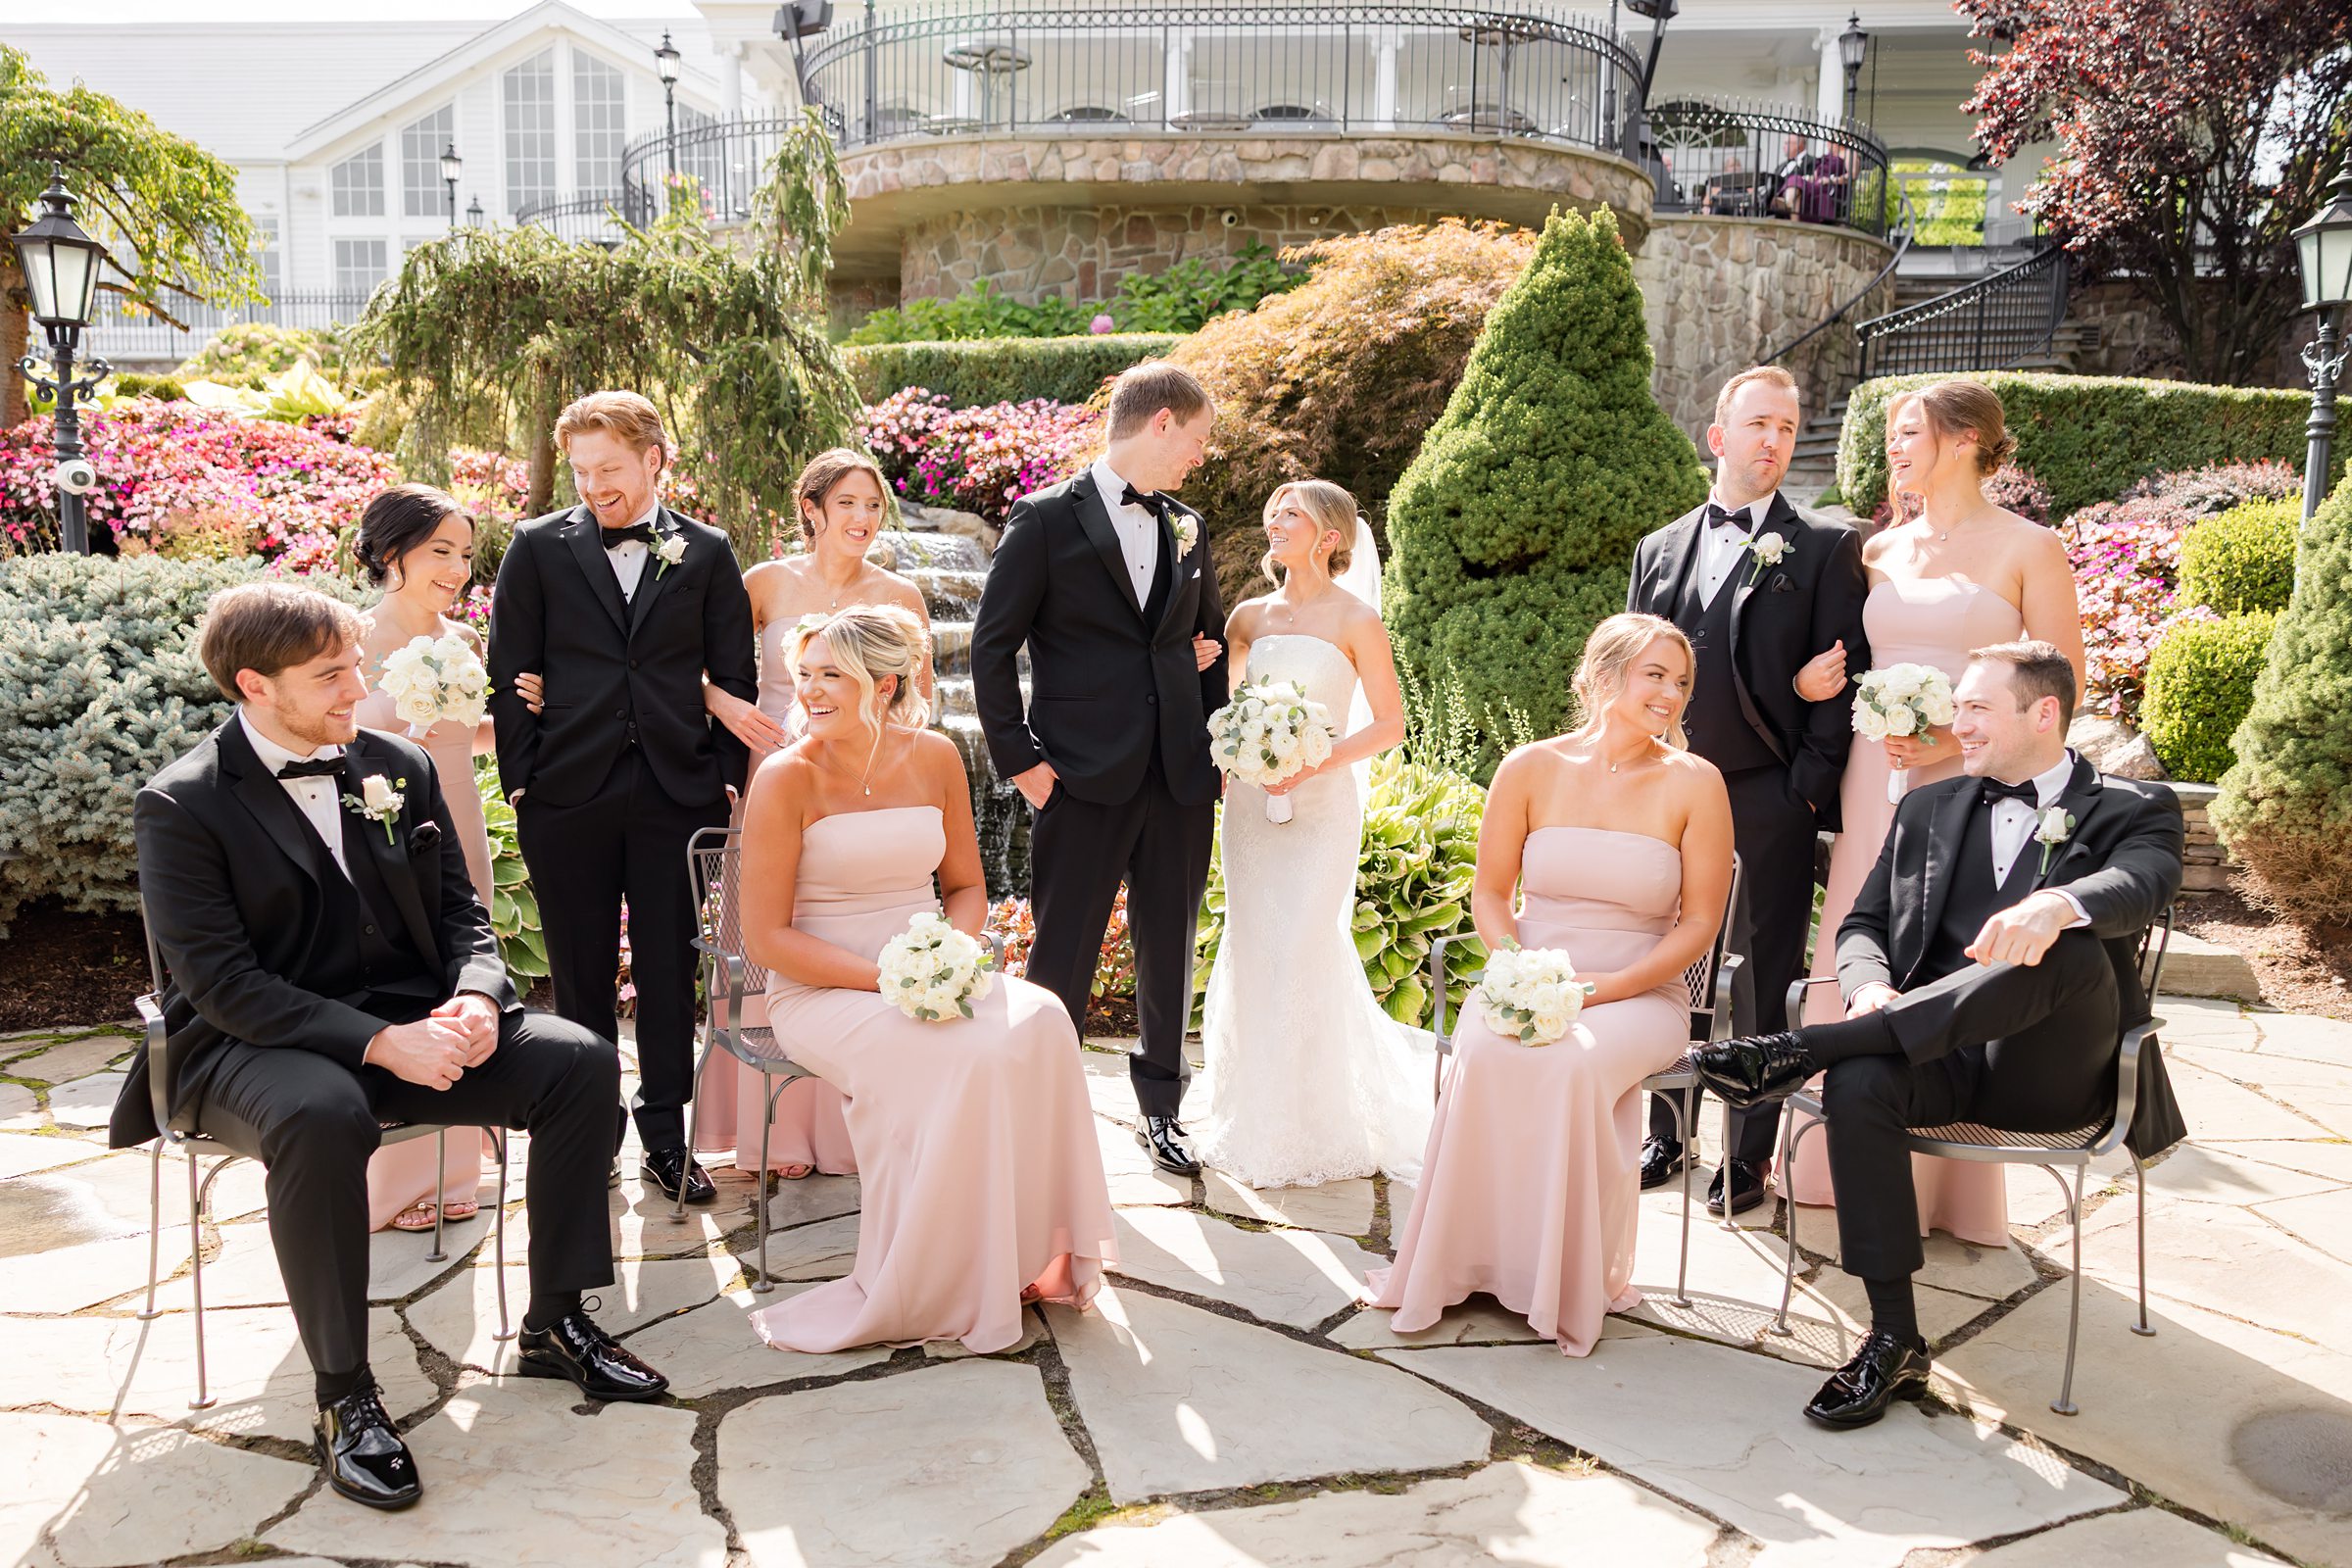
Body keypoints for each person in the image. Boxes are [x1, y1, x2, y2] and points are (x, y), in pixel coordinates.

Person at [109, 582, 665, 1512]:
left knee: (576, 1060)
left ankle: (555, 1321)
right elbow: (223, 984)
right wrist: (380, 1045)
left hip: (413, 1018)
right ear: (255, 684)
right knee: (325, 1115)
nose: (357, 689)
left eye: (357, 665)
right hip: (248, 1046)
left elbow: (461, 915)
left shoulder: (394, 765)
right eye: (331, 675)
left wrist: (480, 999)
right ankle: (345, 1398)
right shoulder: (182, 804)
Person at [1693, 641, 2185, 1429]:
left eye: (1978, 707)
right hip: (1932, 1056)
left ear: (2045, 712)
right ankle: (1893, 1338)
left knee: (2075, 943)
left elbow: (2143, 883)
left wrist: (2057, 905)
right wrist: (1869, 986)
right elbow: (1861, 925)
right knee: (1859, 1083)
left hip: (2047, 1074)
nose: (1958, 723)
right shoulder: (1928, 806)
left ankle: (1801, 1052)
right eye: (1957, 705)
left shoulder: (2134, 807)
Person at [737, 607, 1116, 1352]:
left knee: (1041, 1019)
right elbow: (766, 938)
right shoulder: (785, 778)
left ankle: (1019, 1254)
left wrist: (952, 956)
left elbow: (967, 888)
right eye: (804, 673)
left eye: (831, 677)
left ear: (884, 685)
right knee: (958, 1055)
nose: (809, 691)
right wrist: (885, 981)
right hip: (824, 990)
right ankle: (936, 1276)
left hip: (929, 972)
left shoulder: (938, 756)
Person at [1368, 614, 1734, 1353]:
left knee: (1568, 1061)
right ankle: (1468, 1261)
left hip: (1640, 990)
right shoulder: (1529, 767)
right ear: (1602, 677)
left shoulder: (1698, 784)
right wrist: (1520, 969)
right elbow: (1493, 896)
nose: (1671, 693)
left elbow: (1698, 925)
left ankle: (1560, 1277)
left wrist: (1613, 985)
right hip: (1524, 975)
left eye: (1682, 681)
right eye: (1654, 674)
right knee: (1491, 1052)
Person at [1788, 379, 2087, 1241]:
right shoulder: (1877, 551)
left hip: (1974, 784)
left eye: (1908, 431)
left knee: (1945, 942)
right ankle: (1823, 1161)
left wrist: (1955, 747)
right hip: (1872, 778)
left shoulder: (2032, 547)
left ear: (1963, 440)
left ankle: (1939, 1182)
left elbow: (2063, 688)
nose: (1893, 447)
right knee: (1858, 929)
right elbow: (1839, 660)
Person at [486, 391, 758, 1206]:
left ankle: (667, 1140)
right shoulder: (535, 548)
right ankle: (589, 1131)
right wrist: (523, 780)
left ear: (653, 459)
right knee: (579, 971)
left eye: (609, 468)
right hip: (565, 792)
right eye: (580, 470)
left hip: (679, 793)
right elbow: (509, 672)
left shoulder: (705, 552)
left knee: (672, 971)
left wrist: (722, 780)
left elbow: (734, 676)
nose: (594, 484)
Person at [970, 362, 1229, 1177]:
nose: (1198, 458)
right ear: (1160, 424)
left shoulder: (1189, 526)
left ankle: (1161, 1110)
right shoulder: (1044, 520)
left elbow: (1210, 647)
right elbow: (990, 649)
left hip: (1180, 779)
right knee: (1063, 952)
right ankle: (1038, 1115)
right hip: (1078, 778)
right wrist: (1024, 766)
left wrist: (1216, 751)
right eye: (1195, 440)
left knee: (1169, 947)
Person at [1627, 365, 1869, 1216]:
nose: (1774, 440)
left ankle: (1749, 1156)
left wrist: (1803, 791)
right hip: (1666, 794)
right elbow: (1633, 672)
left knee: (1765, 980)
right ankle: (1667, 1130)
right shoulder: (1657, 550)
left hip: (1769, 795)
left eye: (1789, 428)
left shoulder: (1825, 548)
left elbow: (1845, 684)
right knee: (1670, 962)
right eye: (1759, 424)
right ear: (1719, 436)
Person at [689, 449, 931, 1184]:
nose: (862, 519)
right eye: (848, 504)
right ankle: (777, 1132)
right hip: (771, 779)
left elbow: (920, 706)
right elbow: (691, 667)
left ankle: (861, 1127)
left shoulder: (901, 595)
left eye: (873, 507)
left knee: (849, 927)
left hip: (862, 789)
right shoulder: (764, 584)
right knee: (769, 939)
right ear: (813, 510)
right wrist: (724, 708)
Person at [1192, 479, 1434, 1189]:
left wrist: (1312, 760)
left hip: (1323, 805)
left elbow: (1389, 724)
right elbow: (1227, 707)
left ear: (1329, 536)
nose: (1274, 522)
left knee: (1302, 945)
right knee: (1256, 944)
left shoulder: (1358, 619)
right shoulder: (1247, 618)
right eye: (1273, 512)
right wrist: (1239, 737)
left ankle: (1313, 1123)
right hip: (1250, 812)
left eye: (1289, 514)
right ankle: (1252, 1115)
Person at [351, 484, 496, 1235]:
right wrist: (401, 712)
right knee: (400, 974)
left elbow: (461, 737)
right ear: (389, 553)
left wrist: (524, 723)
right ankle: (401, 1173)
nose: (457, 568)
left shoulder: (465, 642)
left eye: (465, 554)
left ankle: (458, 1157)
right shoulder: (352, 637)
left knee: (458, 966)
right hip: (379, 824)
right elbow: (331, 733)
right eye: (440, 550)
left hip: (458, 815)